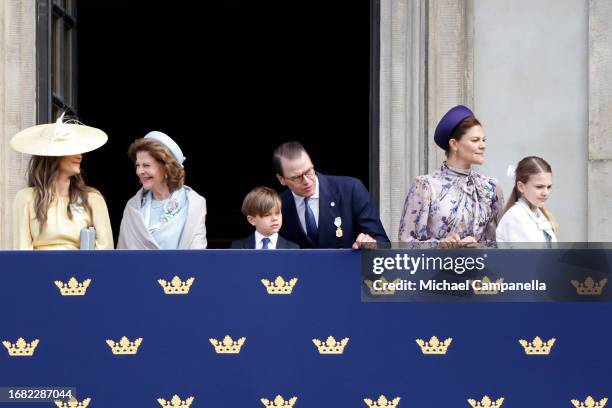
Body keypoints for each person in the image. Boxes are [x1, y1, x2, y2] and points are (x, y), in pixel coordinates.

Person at [398, 105, 504, 244]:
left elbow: (500, 242)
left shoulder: (491, 186)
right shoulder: (426, 185)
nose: (482, 145)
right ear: (454, 144)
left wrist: (478, 247)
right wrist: (440, 246)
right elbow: (404, 242)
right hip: (437, 265)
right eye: (475, 140)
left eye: (483, 140)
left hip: (480, 265)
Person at [11, 114, 114, 250]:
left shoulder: (92, 199)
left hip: (81, 271)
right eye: (72, 150)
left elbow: (104, 252)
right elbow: (21, 252)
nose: (80, 156)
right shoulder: (25, 198)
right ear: (53, 156)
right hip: (39, 270)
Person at [273, 141, 389, 249]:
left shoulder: (350, 189)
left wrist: (371, 244)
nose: (307, 181)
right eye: (296, 177)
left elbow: (383, 243)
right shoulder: (278, 205)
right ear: (281, 179)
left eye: (309, 171)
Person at [117, 131, 207, 249]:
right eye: (138, 165)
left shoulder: (194, 203)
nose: (139, 171)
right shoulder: (133, 206)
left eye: (146, 165)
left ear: (166, 167)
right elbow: (122, 257)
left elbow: (198, 255)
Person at [496, 156, 558, 243]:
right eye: (539, 187)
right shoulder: (516, 216)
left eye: (549, 187)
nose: (546, 193)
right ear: (521, 187)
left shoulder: (538, 214)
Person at [231, 186, 299, 249]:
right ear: (252, 220)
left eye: (277, 213)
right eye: (267, 215)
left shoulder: (293, 248)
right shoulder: (238, 247)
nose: (275, 218)